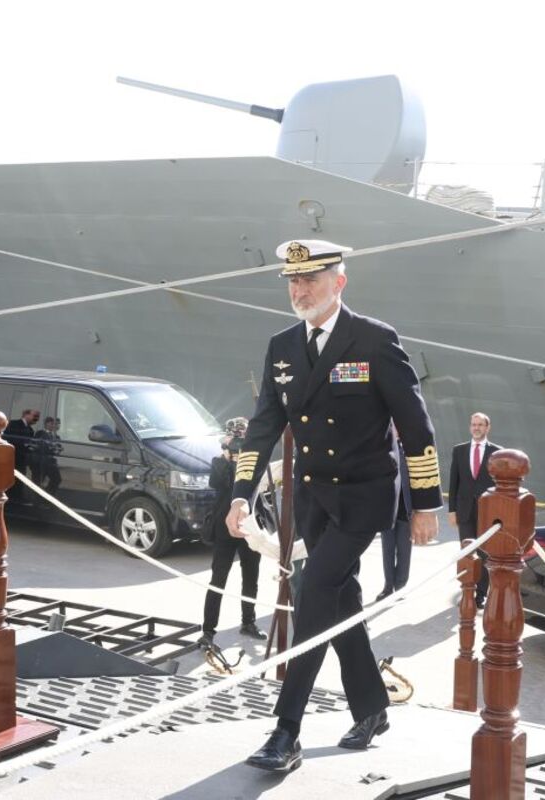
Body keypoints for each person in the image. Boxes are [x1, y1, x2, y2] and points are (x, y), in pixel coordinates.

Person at [225, 239, 442, 773]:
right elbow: (264, 427)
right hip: (315, 495)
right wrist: (241, 493)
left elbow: (415, 427)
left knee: (314, 591)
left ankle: (286, 730)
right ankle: (372, 708)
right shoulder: (281, 346)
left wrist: (426, 505)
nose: (300, 290)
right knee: (340, 598)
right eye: (294, 282)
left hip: (366, 494)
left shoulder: (373, 339)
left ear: (338, 283)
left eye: (312, 281)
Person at [200, 417, 266, 648]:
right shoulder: (219, 462)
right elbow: (217, 484)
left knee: (251, 576)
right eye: (234, 439)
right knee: (218, 577)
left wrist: (249, 457)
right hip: (223, 526)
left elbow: (260, 486)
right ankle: (207, 631)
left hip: (249, 525)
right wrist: (227, 459)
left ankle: (248, 622)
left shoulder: (256, 460)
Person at [448, 412, 499, 608]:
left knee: (485, 553)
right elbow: (454, 482)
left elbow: (498, 486)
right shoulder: (459, 450)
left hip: (487, 512)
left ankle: (481, 593)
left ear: (487, 428)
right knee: (467, 552)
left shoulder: (496, 452)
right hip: (464, 510)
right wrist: (452, 510)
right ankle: (467, 590)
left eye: (480, 425)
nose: (476, 428)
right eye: (473, 424)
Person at [376, 435, 413, 602]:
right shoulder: (382, 446)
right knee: (387, 549)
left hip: (406, 510)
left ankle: (400, 588)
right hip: (386, 508)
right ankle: (388, 586)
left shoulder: (412, 448)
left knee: (404, 551)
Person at [5, 408, 40, 500]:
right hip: (11, 458)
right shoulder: (13, 424)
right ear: (26, 415)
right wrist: (24, 444)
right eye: (35, 416)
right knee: (9, 480)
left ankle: (16, 499)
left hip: (21, 460)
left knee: (19, 479)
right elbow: (8, 438)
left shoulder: (30, 430)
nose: (36, 419)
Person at [33, 416, 62, 494]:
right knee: (38, 482)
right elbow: (39, 445)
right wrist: (51, 447)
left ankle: (48, 496)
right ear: (46, 424)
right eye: (52, 423)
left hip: (51, 462)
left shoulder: (57, 437)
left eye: (57, 424)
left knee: (57, 479)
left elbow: (58, 449)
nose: (55, 426)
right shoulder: (40, 433)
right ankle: (36, 500)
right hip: (40, 461)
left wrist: (56, 449)